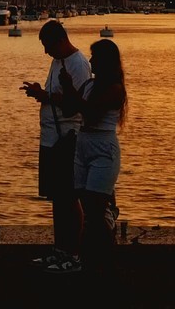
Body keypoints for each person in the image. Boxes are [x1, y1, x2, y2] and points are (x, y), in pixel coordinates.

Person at [21, 19, 91, 271]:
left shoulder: (79, 64)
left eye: (47, 45)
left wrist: (46, 96)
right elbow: (55, 96)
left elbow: (77, 103)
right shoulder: (57, 61)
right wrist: (41, 92)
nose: (45, 51)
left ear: (61, 40)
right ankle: (60, 249)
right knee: (57, 198)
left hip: (67, 137)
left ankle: (73, 254)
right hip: (51, 137)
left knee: (69, 198)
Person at [56, 37, 128, 271]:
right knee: (87, 208)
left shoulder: (115, 89)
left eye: (95, 57)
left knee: (95, 213)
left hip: (103, 149)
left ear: (105, 61)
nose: (90, 60)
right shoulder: (88, 85)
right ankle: (90, 256)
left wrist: (69, 89)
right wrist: (67, 88)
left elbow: (91, 112)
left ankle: (102, 256)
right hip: (84, 145)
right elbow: (70, 109)